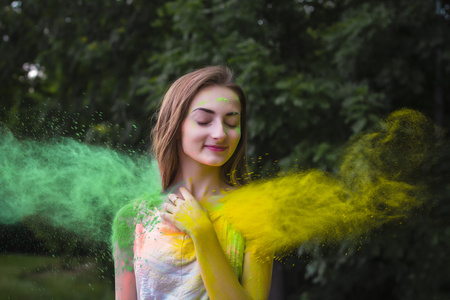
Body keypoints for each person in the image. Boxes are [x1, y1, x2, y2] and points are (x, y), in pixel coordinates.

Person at [113, 66, 273, 300]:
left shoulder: (255, 215)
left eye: (231, 123)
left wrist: (201, 231)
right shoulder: (133, 218)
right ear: (176, 126)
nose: (220, 133)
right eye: (204, 120)